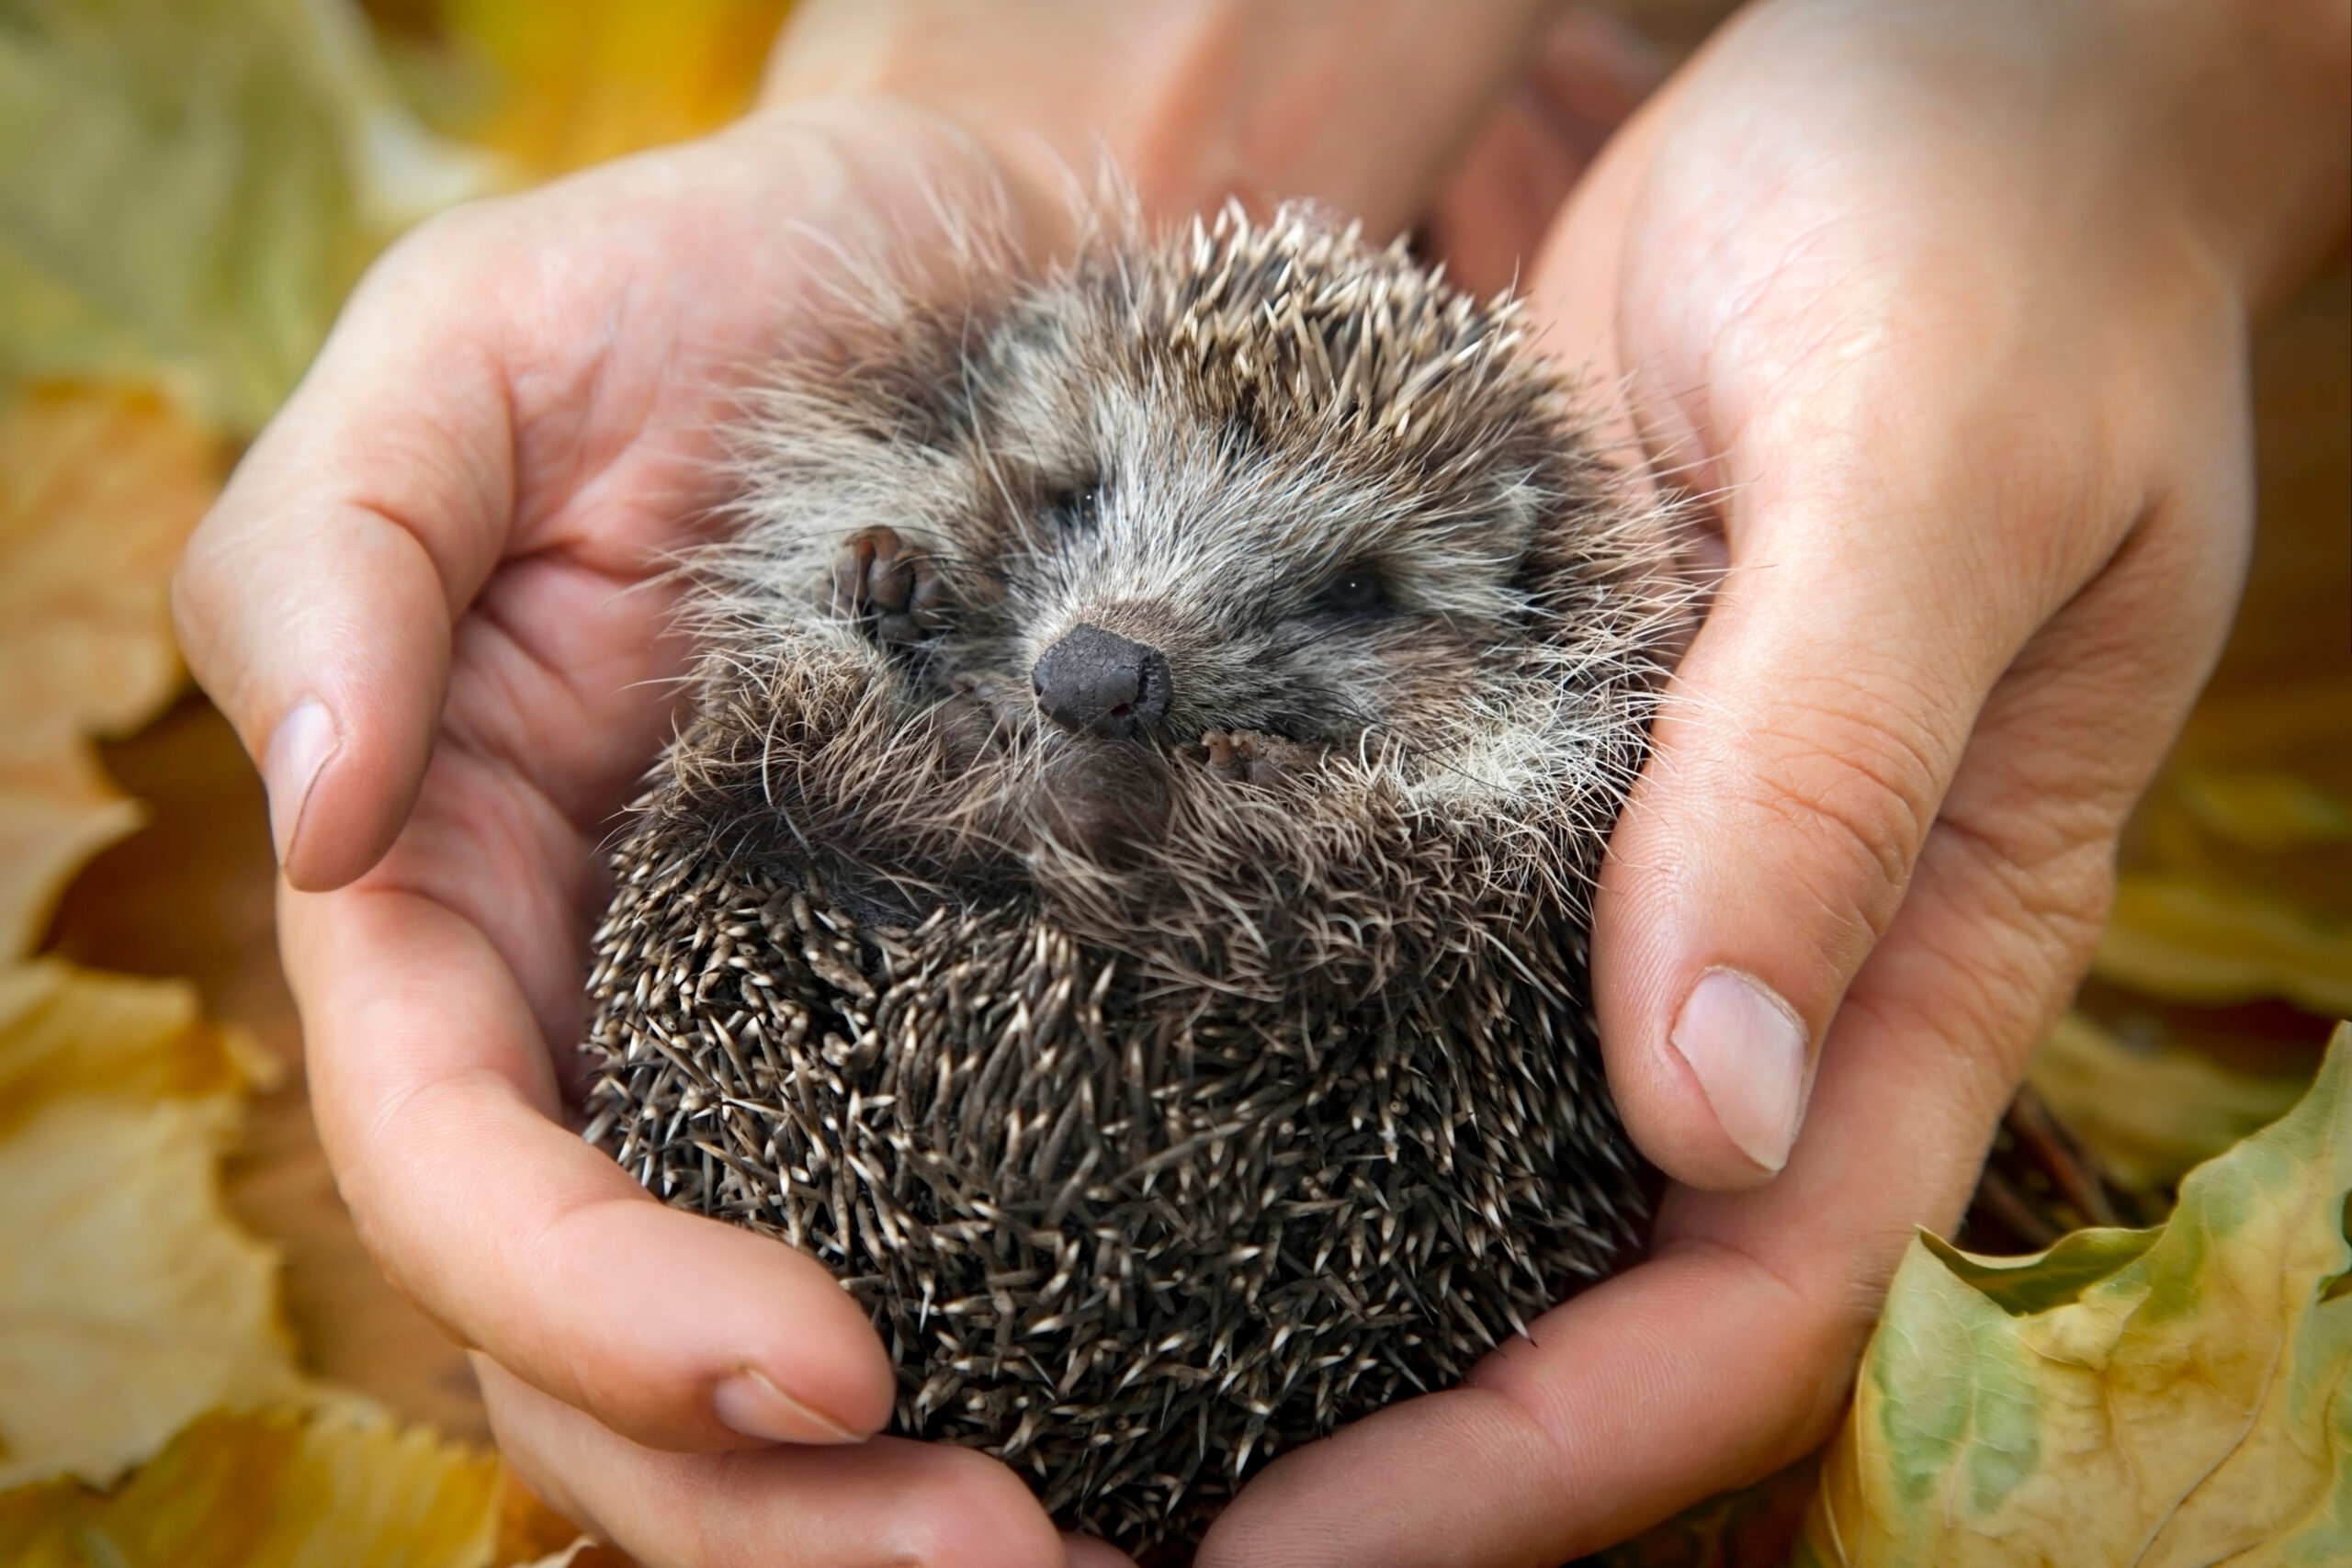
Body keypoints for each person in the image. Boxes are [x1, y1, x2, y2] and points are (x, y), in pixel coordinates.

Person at [172, 1, 2350, 1562]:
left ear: (1495, 581)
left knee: (1422, 908)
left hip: (1311, 974)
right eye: (1093, 493)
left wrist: (2116, 79)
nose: (1114, 641)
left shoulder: (1530, 717)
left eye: (1333, 593)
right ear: (1036, 407)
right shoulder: (972, 488)